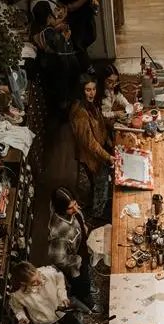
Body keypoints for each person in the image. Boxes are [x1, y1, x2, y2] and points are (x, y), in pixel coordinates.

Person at [9, 262, 91, 324]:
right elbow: (16, 307)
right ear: (23, 283)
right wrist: (22, 317)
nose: (40, 280)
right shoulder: (17, 294)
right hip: (42, 320)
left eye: (38, 275)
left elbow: (60, 279)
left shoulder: (48, 272)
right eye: (34, 282)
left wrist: (62, 296)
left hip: (60, 308)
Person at [70, 74, 114, 218]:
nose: (92, 93)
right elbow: (89, 142)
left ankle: (99, 206)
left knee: (100, 182)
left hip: (99, 149)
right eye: (88, 90)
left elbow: (99, 124)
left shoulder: (91, 104)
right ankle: (97, 215)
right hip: (91, 156)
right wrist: (107, 156)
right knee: (100, 184)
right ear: (81, 91)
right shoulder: (80, 113)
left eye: (94, 89)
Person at [32, 2, 82, 113]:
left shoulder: (41, 30)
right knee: (64, 90)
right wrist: (66, 38)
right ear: (48, 17)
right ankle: (66, 109)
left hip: (48, 67)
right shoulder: (50, 33)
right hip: (59, 68)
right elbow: (61, 49)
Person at [48, 187, 93, 308]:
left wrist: (83, 226)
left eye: (75, 204)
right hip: (75, 264)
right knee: (81, 284)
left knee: (87, 273)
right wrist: (77, 260)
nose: (76, 209)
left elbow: (79, 218)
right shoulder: (58, 231)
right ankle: (85, 299)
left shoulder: (74, 211)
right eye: (70, 208)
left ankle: (87, 288)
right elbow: (57, 259)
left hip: (83, 250)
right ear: (61, 209)